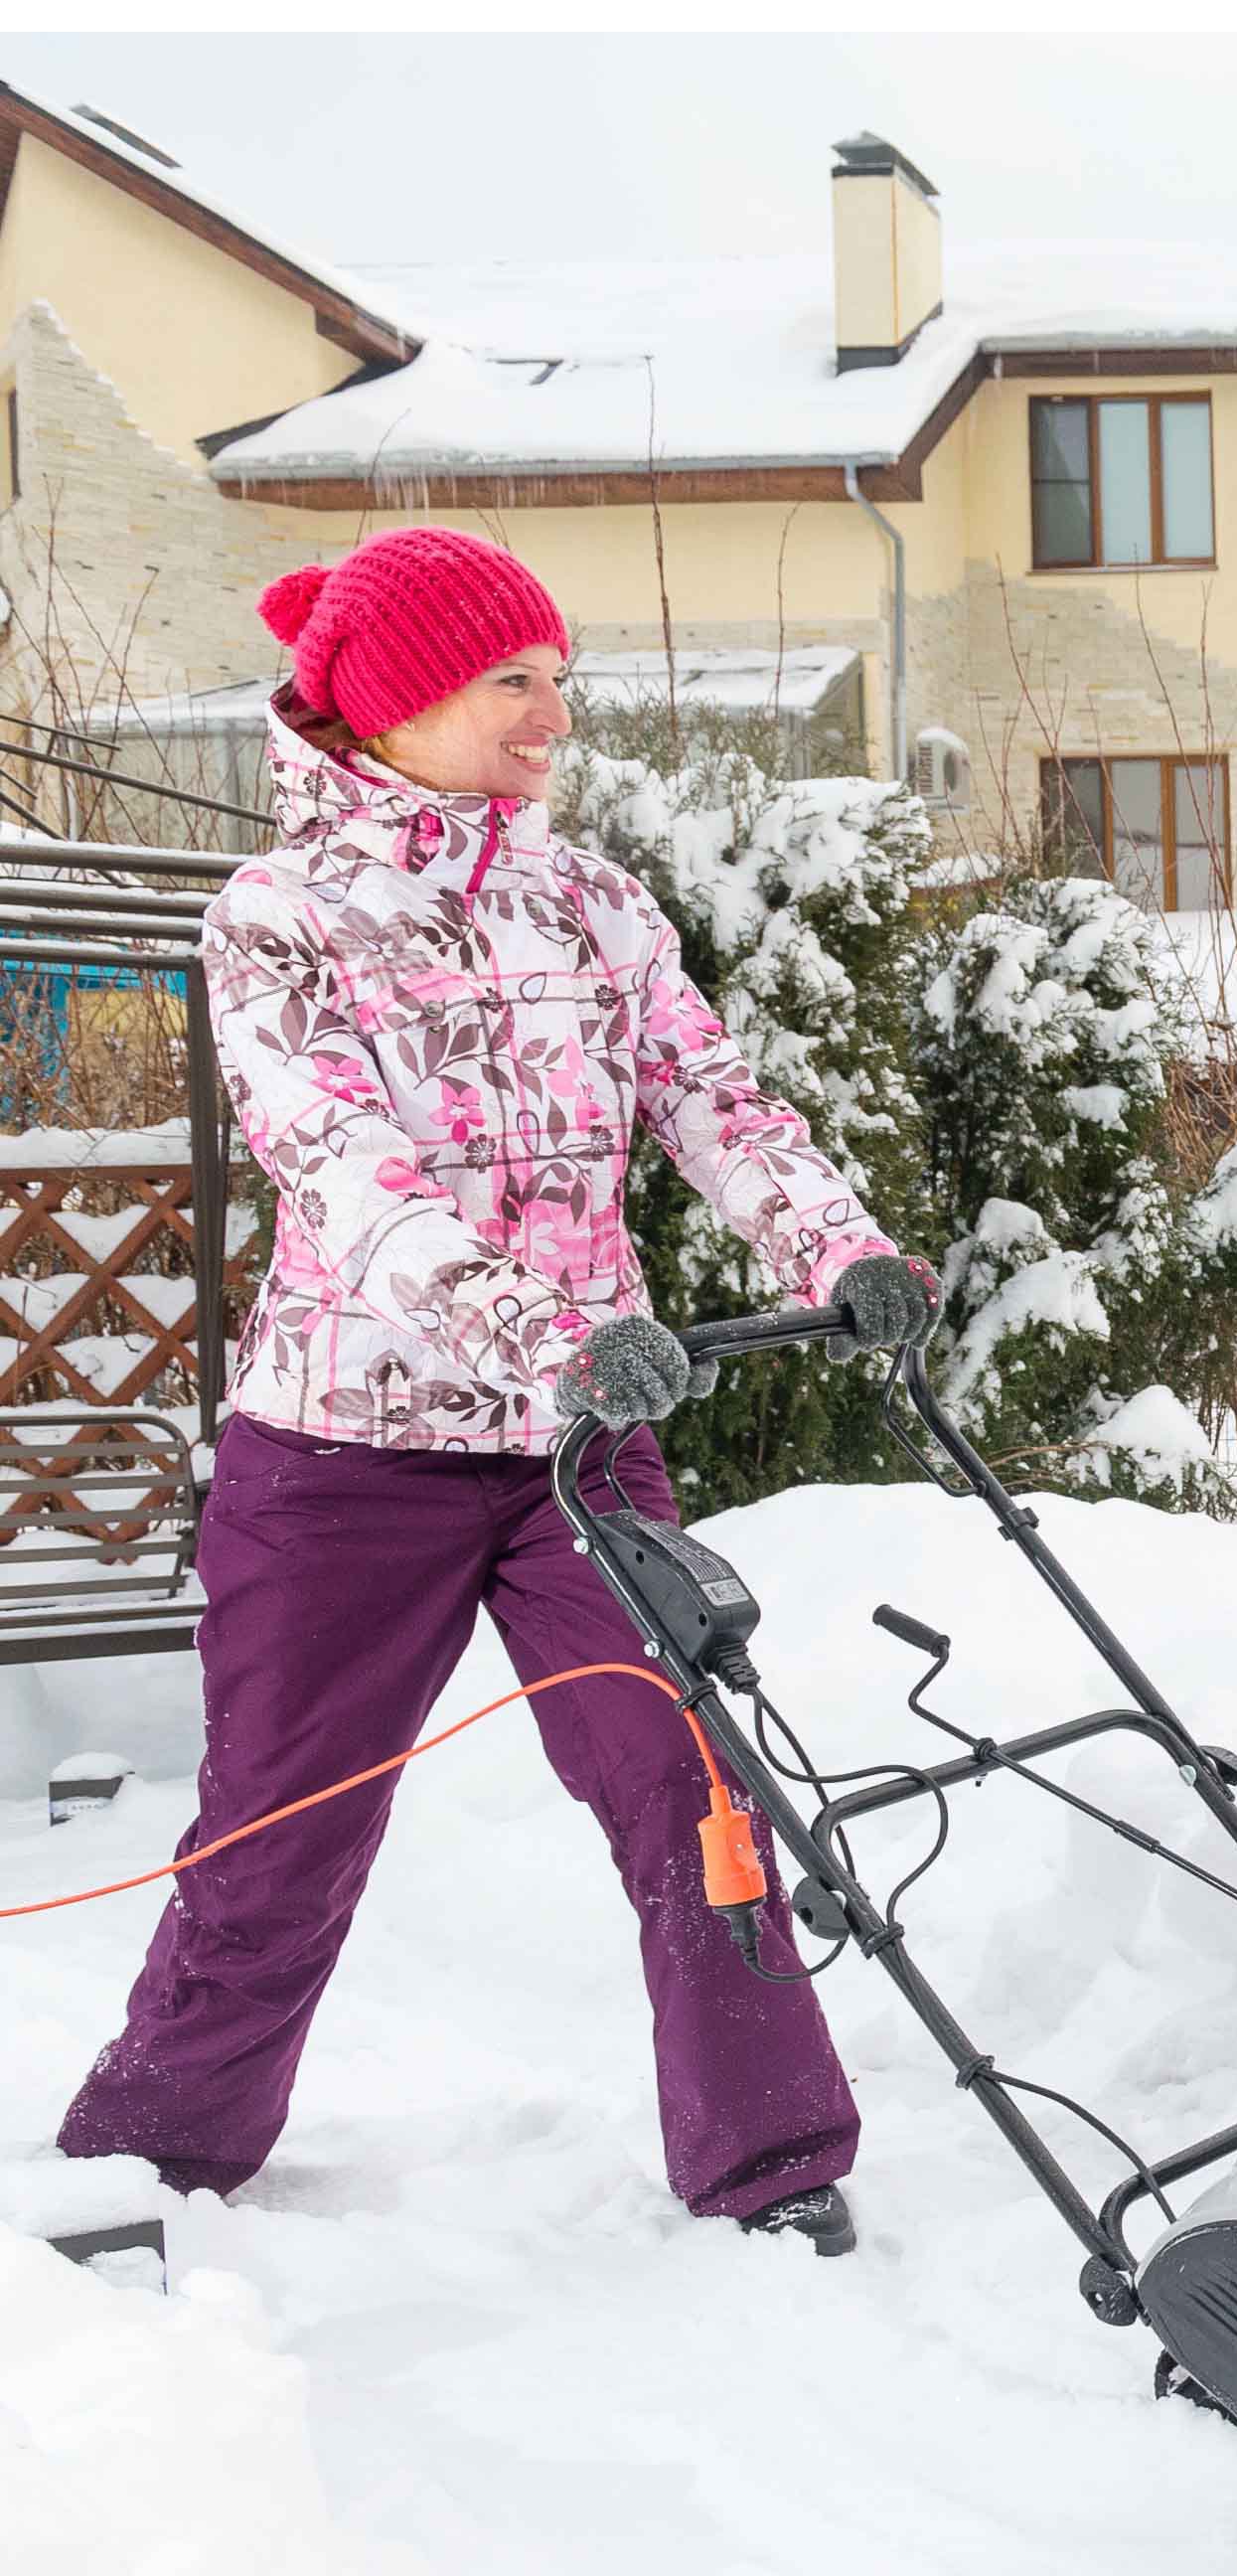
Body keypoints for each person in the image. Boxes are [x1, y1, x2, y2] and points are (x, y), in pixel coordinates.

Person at [56, 528, 935, 2256]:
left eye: (557, 676)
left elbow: (720, 1106)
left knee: (696, 1791)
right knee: (279, 1838)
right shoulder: (279, 921)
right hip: (339, 1457)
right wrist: (539, 1326)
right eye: (511, 681)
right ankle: (153, 2160)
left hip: (580, 1455)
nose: (554, 716)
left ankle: (774, 2165)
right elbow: (347, 1175)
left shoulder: (594, 905)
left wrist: (841, 1253)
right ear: (395, 705)